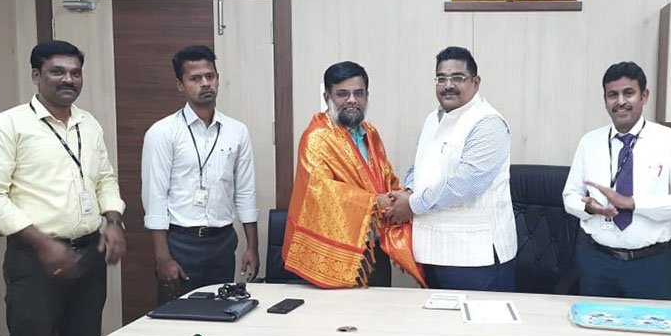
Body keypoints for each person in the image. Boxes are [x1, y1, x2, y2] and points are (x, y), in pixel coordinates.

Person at [0, 40, 126, 336]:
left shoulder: (89, 124)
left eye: (75, 73)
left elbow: (105, 178)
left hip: (89, 256)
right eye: (57, 71)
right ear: (36, 76)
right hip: (35, 260)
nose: (68, 79)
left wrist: (113, 221)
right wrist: (44, 245)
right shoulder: (9, 125)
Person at [562, 61, 671, 299]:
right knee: (595, 323)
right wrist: (591, 209)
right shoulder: (589, 142)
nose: (620, 101)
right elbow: (569, 196)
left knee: (652, 324)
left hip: (650, 265)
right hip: (598, 262)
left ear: (644, 96)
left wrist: (633, 203)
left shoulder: (669, 141)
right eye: (612, 95)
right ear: (605, 100)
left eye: (628, 93)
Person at [385, 46, 517, 292]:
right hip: (432, 250)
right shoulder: (432, 119)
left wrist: (411, 204)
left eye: (457, 77)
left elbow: (466, 184)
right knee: (437, 317)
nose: (448, 85)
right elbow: (419, 164)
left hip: (475, 257)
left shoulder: (488, 123)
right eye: (441, 78)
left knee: (476, 318)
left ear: (475, 82)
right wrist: (409, 189)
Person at [283, 61, 424, 288]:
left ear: (367, 96)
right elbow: (320, 193)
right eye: (342, 94)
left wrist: (400, 197)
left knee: (379, 309)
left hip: (374, 249)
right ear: (327, 96)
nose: (352, 100)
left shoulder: (370, 133)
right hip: (335, 253)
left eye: (358, 93)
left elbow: (385, 177)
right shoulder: (317, 138)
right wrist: (375, 202)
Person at [141, 45, 259, 304]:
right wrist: (162, 257)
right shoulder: (162, 132)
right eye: (195, 78)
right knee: (179, 318)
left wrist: (252, 247)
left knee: (221, 314)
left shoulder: (237, 131)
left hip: (223, 242)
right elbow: (155, 198)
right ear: (180, 85)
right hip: (181, 243)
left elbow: (245, 191)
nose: (205, 83)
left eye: (210, 76)